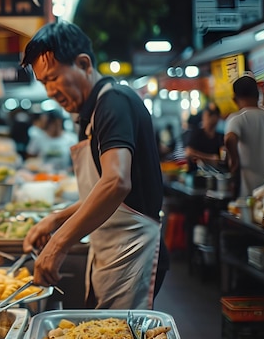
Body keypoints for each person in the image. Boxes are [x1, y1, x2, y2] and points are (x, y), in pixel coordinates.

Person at [20, 22, 168, 309]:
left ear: (84, 63)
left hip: (134, 249)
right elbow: (102, 191)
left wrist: (57, 244)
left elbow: (116, 183)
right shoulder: (89, 114)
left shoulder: (113, 102)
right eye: (43, 83)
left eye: (53, 77)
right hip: (112, 246)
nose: (49, 91)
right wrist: (55, 219)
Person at [185, 102, 224, 171]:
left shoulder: (220, 136)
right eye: (209, 115)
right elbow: (189, 152)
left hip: (214, 173)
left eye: (214, 115)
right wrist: (210, 158)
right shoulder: (196, 133)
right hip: (196, 173)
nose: (211, 119)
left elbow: (221, 156)